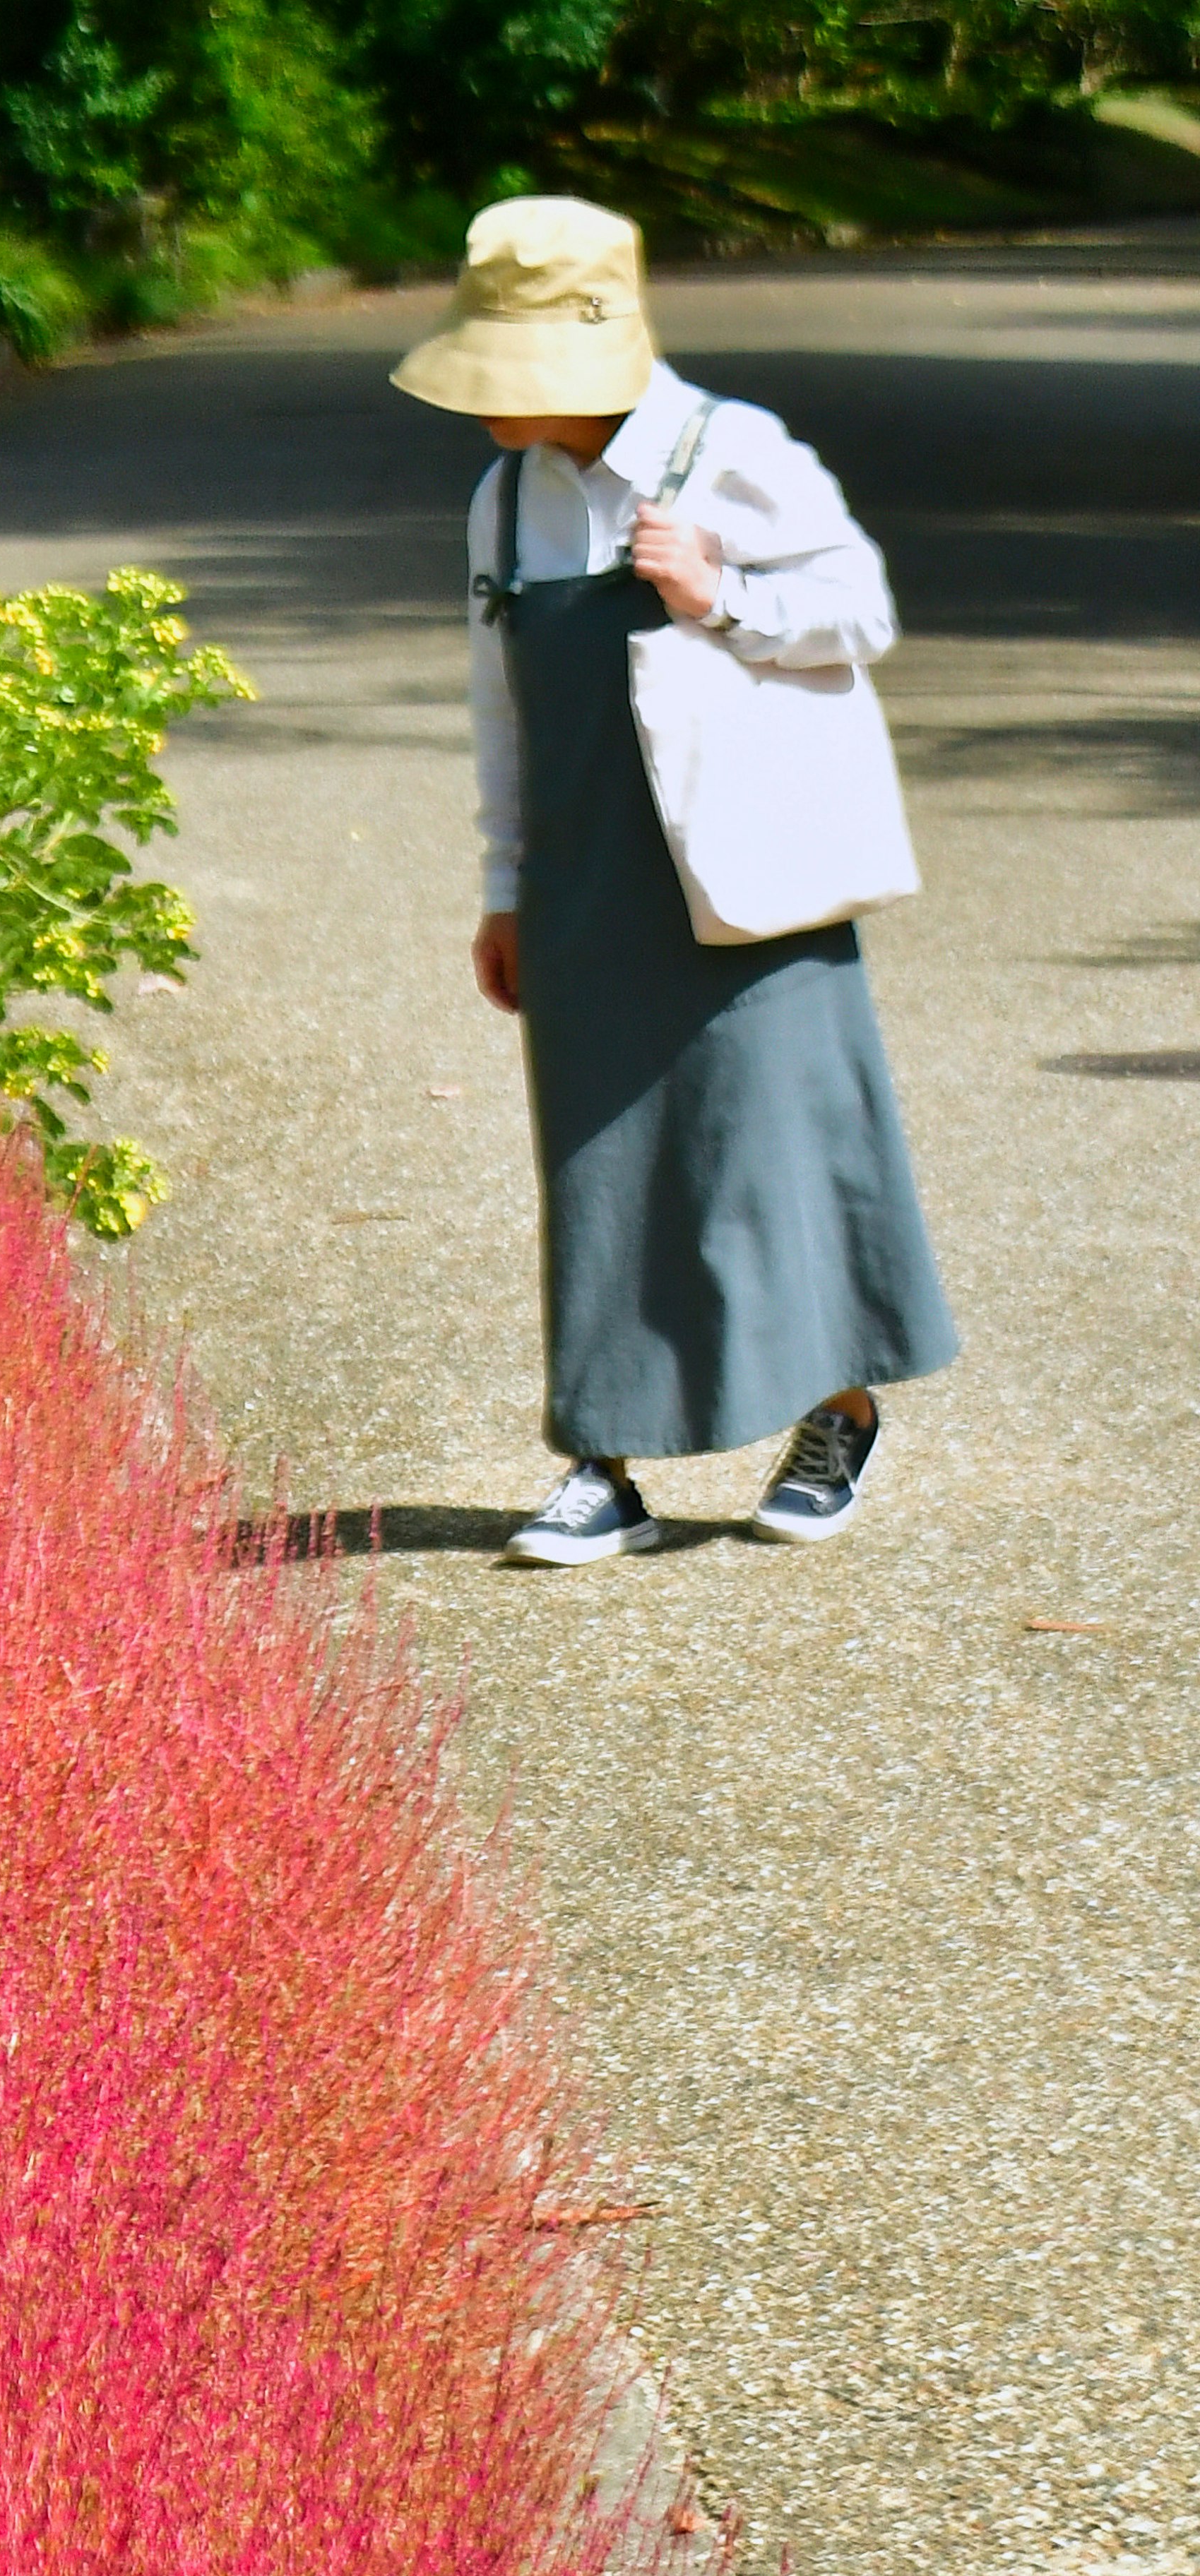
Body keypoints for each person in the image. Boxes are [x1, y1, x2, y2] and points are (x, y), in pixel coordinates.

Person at [391, 199, 956, 1565]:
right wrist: (506, 885)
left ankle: (835, 1409)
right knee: (598, 1161)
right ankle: (603, 1458)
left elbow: (863, 609)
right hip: (587, 869)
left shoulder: (731, 453)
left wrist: (721, 592)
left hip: (749, 861)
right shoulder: (507, 498)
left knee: (773, 1140)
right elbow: (501, 704)